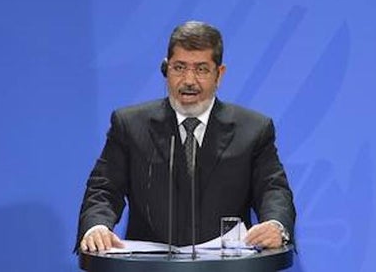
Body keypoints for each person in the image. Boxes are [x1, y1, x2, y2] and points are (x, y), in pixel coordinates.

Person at [77, 21, 296, 253]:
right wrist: (96, 226)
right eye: (179, 67)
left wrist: (276, 225)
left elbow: (273, 190)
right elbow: (104, 189)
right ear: (166, 69)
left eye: (201, 69)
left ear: (219, 74)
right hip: (150, 268)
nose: (189, 80)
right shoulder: (130, 126)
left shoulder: (253, 130)